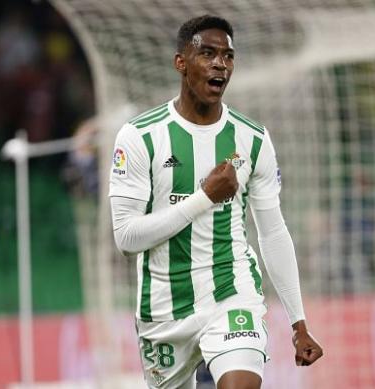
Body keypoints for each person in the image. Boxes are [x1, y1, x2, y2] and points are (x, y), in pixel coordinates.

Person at [109, 15, 323, 389]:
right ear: (181, 63)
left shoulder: (252, 139)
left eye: (227, 56)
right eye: (207, 53)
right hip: (164, 308)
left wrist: (298, 322)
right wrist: (204, 197)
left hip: (231, 291)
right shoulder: (140, 137)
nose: (220, 64)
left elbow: (272, 232)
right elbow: (127, 237)